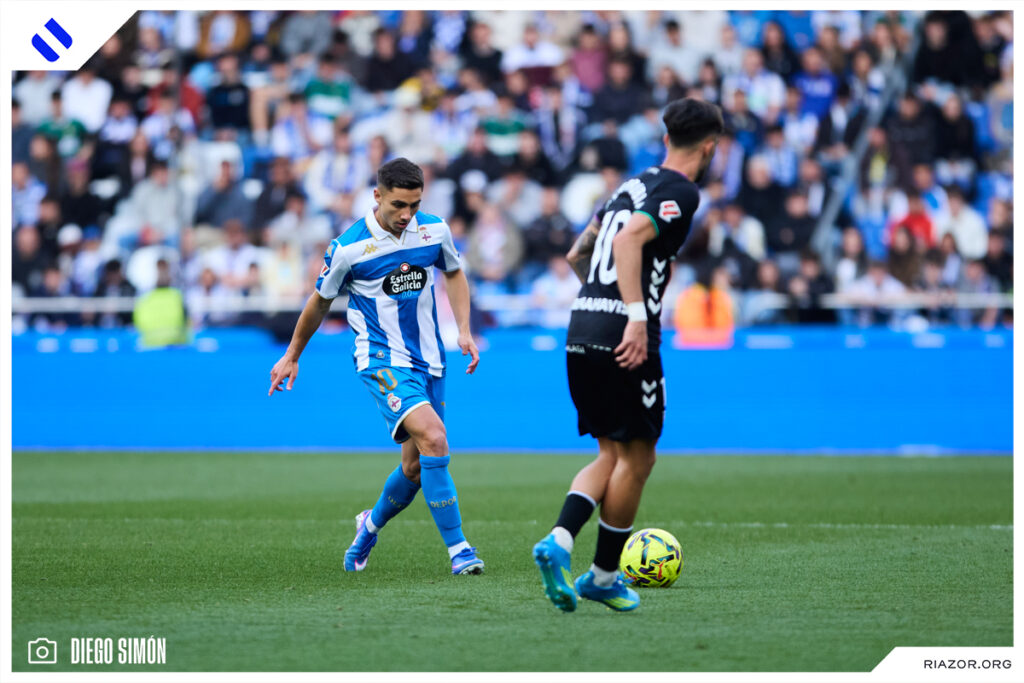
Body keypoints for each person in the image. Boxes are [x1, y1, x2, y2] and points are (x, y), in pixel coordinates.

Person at [532, 98, 722, 612]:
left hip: (581, 326)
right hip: (624, 334)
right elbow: (631, 240)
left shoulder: (628, 187)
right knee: (638, 456)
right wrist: (633, 315)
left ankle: (559, 541)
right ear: (708, 148)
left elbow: (578, 254)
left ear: (666, 140)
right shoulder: (682, 191)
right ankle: (602, 575)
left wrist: (601, 304)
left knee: (609, 454)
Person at [268, 158, 485, 576]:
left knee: (414, 467)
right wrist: (293, 353)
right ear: (377, 196)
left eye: (415, 205)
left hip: (431, 359)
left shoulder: (433, 229)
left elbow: (454, 273)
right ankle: (459, 550)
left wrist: (463, 329)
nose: (407, 215)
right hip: (381, 358)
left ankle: (368, 525)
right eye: (399, 205)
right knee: (436, 439)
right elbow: (319, 301)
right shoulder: (349, 248)